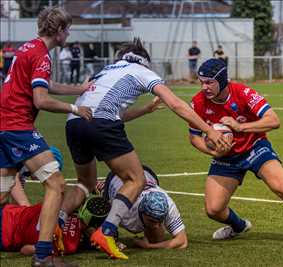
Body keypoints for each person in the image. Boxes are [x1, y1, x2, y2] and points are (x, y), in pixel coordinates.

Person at [58, 38, 229, 260]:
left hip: (74, 120)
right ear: (144, 61)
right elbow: (176, 104)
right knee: (136, 180)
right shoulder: (142, 71)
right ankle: (106, 232)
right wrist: (209, 130)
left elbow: (116, 112)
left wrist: (146, 110)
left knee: (85, 183)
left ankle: (57, 222)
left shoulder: (107, 70)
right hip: (101, 122)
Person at [188, 58, 283, 247]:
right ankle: (239, 226)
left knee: (282, 188)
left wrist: (240, 127)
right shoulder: (198, 103)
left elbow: (274, 120)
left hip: (255, 147)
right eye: (201, 82)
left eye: (209, 82)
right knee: (213, 209)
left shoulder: (243, 93)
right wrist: (213, 152)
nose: (204, 87)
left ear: (222, 80)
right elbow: (194, 138)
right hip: (227, 158)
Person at [0, 6, 92, 267]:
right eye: (68, 29)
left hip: (4, 124)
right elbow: (41, 99)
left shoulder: (28, 47)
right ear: (60, 31)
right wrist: (75, 108)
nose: (69, 33)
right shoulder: (42, 55)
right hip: (18, 126)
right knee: (56, 184)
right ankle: (43, 255)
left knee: (2, 193)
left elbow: (46, 85)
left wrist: (79, 89)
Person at [99, 165, 188, 249]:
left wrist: (149, 246)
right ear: (142, 211)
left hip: (147, 174)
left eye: (160, 221)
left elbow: (182, 241)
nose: (157, 226)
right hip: (114, 178)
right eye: (152, 220)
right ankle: (102, 186)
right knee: (104, 211)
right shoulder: (124, 208)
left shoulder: (168, 205)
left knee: (156, 240)